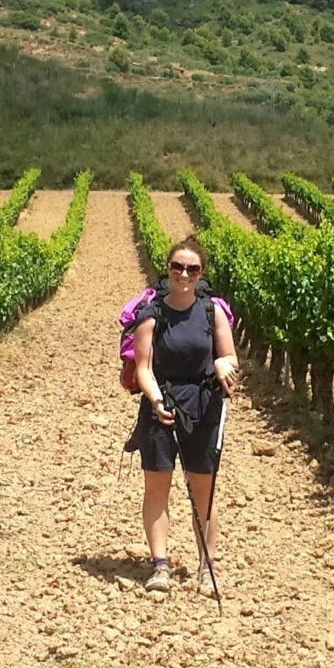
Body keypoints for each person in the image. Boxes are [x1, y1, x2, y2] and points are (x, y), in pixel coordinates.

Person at [130, 236, 238, 594]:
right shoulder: (152, 314)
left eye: (192, 268)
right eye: (177, 266)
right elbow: (143, 367)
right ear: (168, 269)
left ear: (201, 273)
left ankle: (207, 566)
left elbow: (229, 357)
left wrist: (224, 364)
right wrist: (157, 401)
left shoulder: (213, 312)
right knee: (157, 487)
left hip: (204, 407)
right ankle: (160, 565)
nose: (184, 274)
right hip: (160, 404)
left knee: (203, 490)